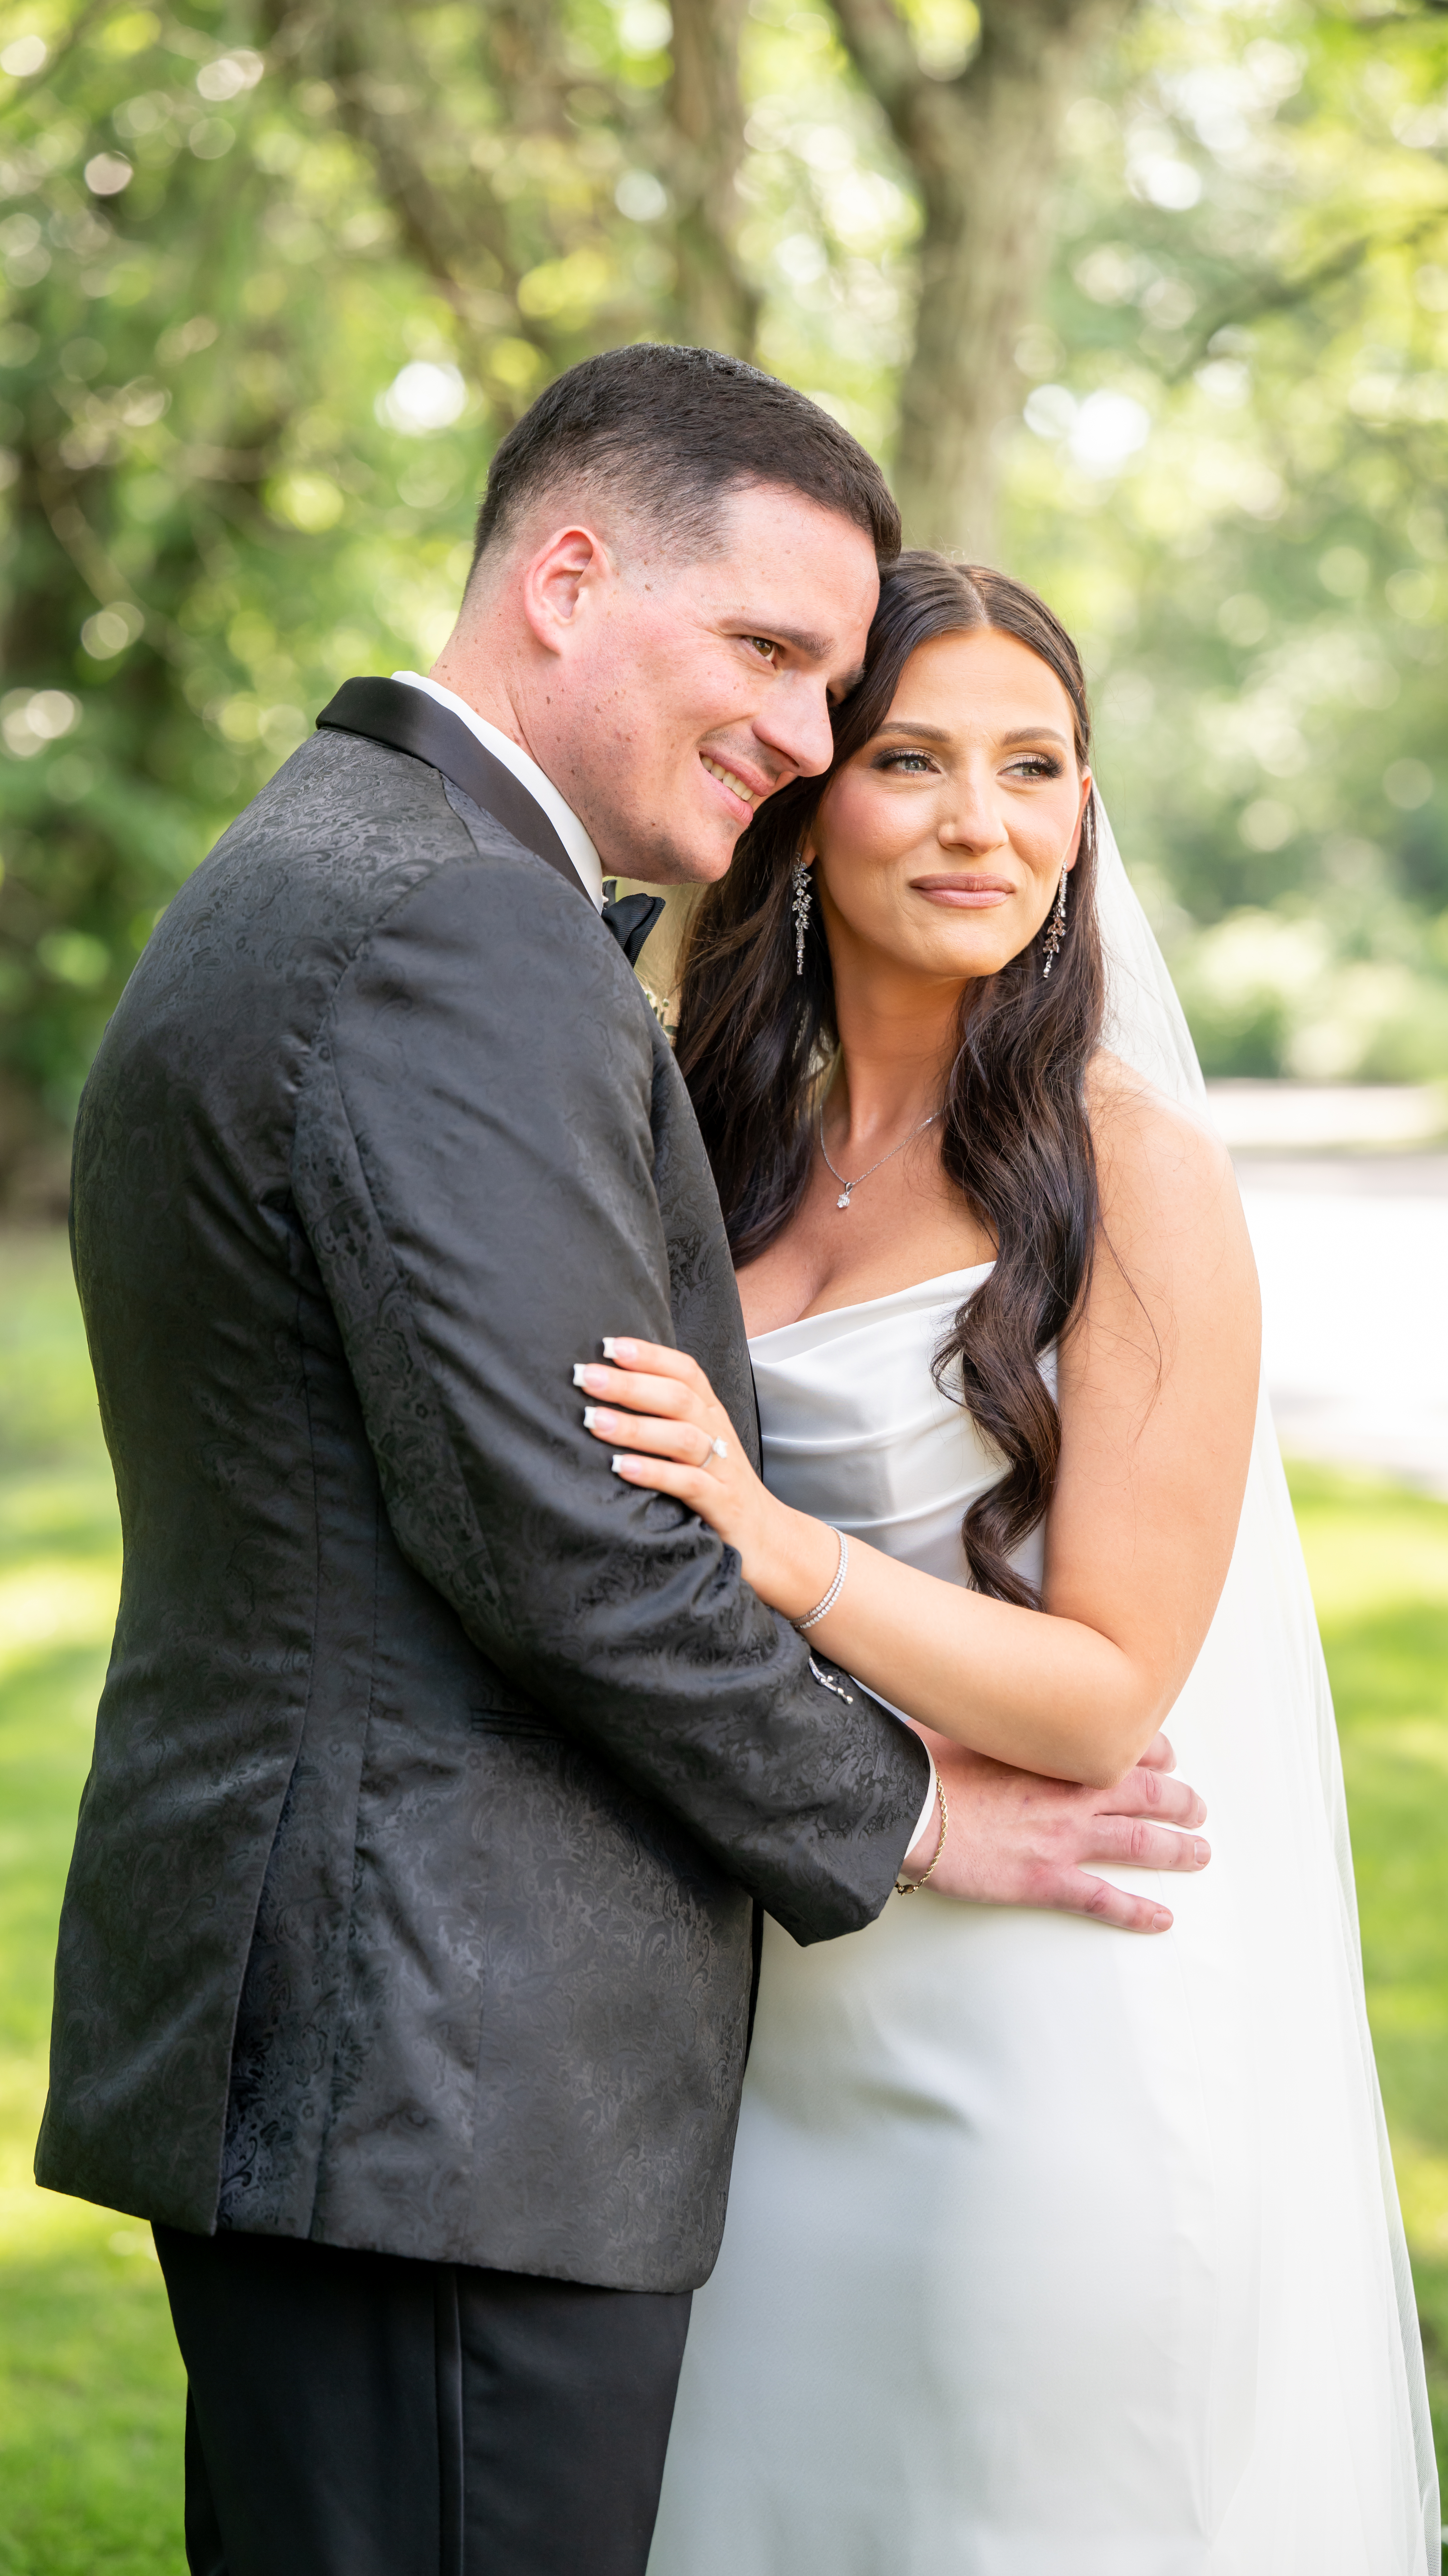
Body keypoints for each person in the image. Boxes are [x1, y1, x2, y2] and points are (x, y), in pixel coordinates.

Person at [35, 354, 1212, 2576]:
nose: (798, 731)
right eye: (766, 651)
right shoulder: (461, 926)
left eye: (827, 685)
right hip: (447, 2068)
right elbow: (575, 1540)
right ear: (568, 579)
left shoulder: (318, 857)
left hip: (381, 2058)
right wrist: (918, 1809)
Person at [582, 554, 1439, 2572]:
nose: (983, 819)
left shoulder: (1129, 1167)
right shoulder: (715, 1138)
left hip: (1038, 2034)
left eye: (1034, 765)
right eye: (914, 760)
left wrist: (770, 1538)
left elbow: (1107, 1692)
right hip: (763, 2014)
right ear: (807, 803)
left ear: (1082, 811)